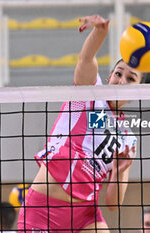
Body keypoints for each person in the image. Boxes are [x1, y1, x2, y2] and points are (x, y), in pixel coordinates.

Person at [17, 14, 143, 233]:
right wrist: (100, 32)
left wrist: (120, 171)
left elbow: (113, 204)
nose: (121, 81)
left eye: (131, 79)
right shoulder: (88, 94)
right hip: (43, 209)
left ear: (138, 91)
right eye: (118, 74)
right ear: (109, 76)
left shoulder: (127, 138)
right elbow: (86, 60)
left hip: (85, 214)